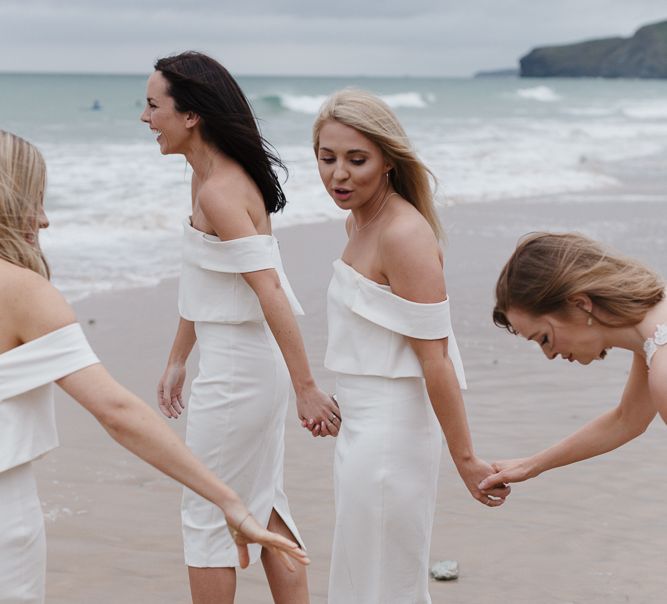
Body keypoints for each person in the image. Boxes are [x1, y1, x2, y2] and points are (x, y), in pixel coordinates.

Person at [0, 130, 309, 604]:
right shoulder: (24, 293)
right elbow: (117, 411)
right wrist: (226, 498)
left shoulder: (216, 188)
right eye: (34, 200)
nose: (43, 220)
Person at [140, 52, 339, 604]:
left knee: (206, 512)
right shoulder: (206, 178)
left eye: (154, 106)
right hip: (241, 363)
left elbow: (269, 288)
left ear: (192, 116)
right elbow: (205, 274)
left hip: (240, 375)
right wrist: (180, 356)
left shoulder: (219, 192)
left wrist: (306, 388)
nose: (145, 118)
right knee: (264, 500)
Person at [312, 89, 510, 604]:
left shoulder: (403, 234)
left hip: (391, 435)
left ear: (387, 161)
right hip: (360, 425)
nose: (339, 175)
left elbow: (436, 358)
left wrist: (467, 460)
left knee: (388, 580)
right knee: (365, 573)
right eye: (327, 158)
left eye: (357, 160)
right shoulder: (358, 221)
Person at [478, 231, 666, 492]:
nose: (549, 354)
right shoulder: (653, 336)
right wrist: (532, 465)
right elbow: (627, 419)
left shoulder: (662, 365)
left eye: (544, 338)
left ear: (580, 303)